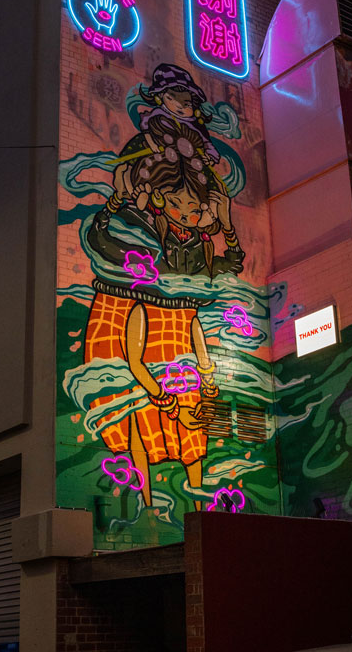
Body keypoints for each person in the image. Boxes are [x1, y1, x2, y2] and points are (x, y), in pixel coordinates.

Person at [83, 83, 243, 508]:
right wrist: (116, 204)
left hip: (178, 336)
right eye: (180, 207)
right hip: (135, 320)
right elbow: (101, 240)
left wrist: (227, 227)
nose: (189, 215)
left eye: (195, 210)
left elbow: (220, 275)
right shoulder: (142, 233)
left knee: (193, 432)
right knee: (138, 421)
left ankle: (199, 504)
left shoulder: (197, 244)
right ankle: (148, 504)